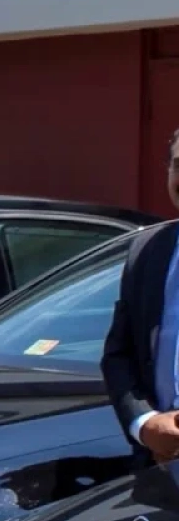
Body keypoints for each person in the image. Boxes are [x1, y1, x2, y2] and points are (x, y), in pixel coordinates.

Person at [101, 128, 179, 465]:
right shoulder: (147, 250)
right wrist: (144, 423)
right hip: (158, 468)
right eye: (178, 164)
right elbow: (120, 354)